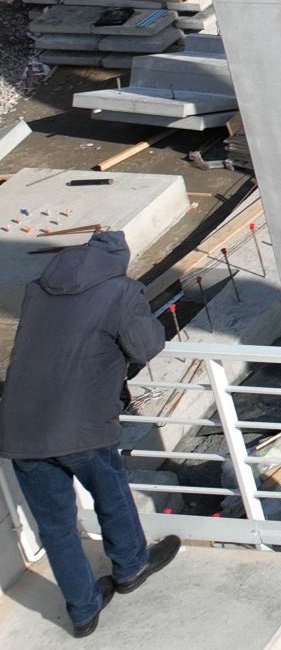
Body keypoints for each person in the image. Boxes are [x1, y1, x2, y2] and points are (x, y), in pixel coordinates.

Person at [1, 232, 179, 636]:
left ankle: (82, 611)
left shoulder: (37, 290)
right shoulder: (120, 290)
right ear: (119, 261)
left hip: (20, 428)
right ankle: (131, 566)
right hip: (81, 424)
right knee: (110, 495)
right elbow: (147, 345)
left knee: (55, 525)